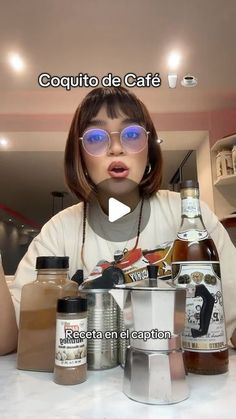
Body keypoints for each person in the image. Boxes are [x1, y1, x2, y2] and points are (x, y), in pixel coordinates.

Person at [1, 86, 236, 355]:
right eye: (96, 137)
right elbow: (11, 339)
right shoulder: (58, 231)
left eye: (132, 134)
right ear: (80, 156)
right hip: (84, 389)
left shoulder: (190, 216)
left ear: (149, 149)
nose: (115, 148)